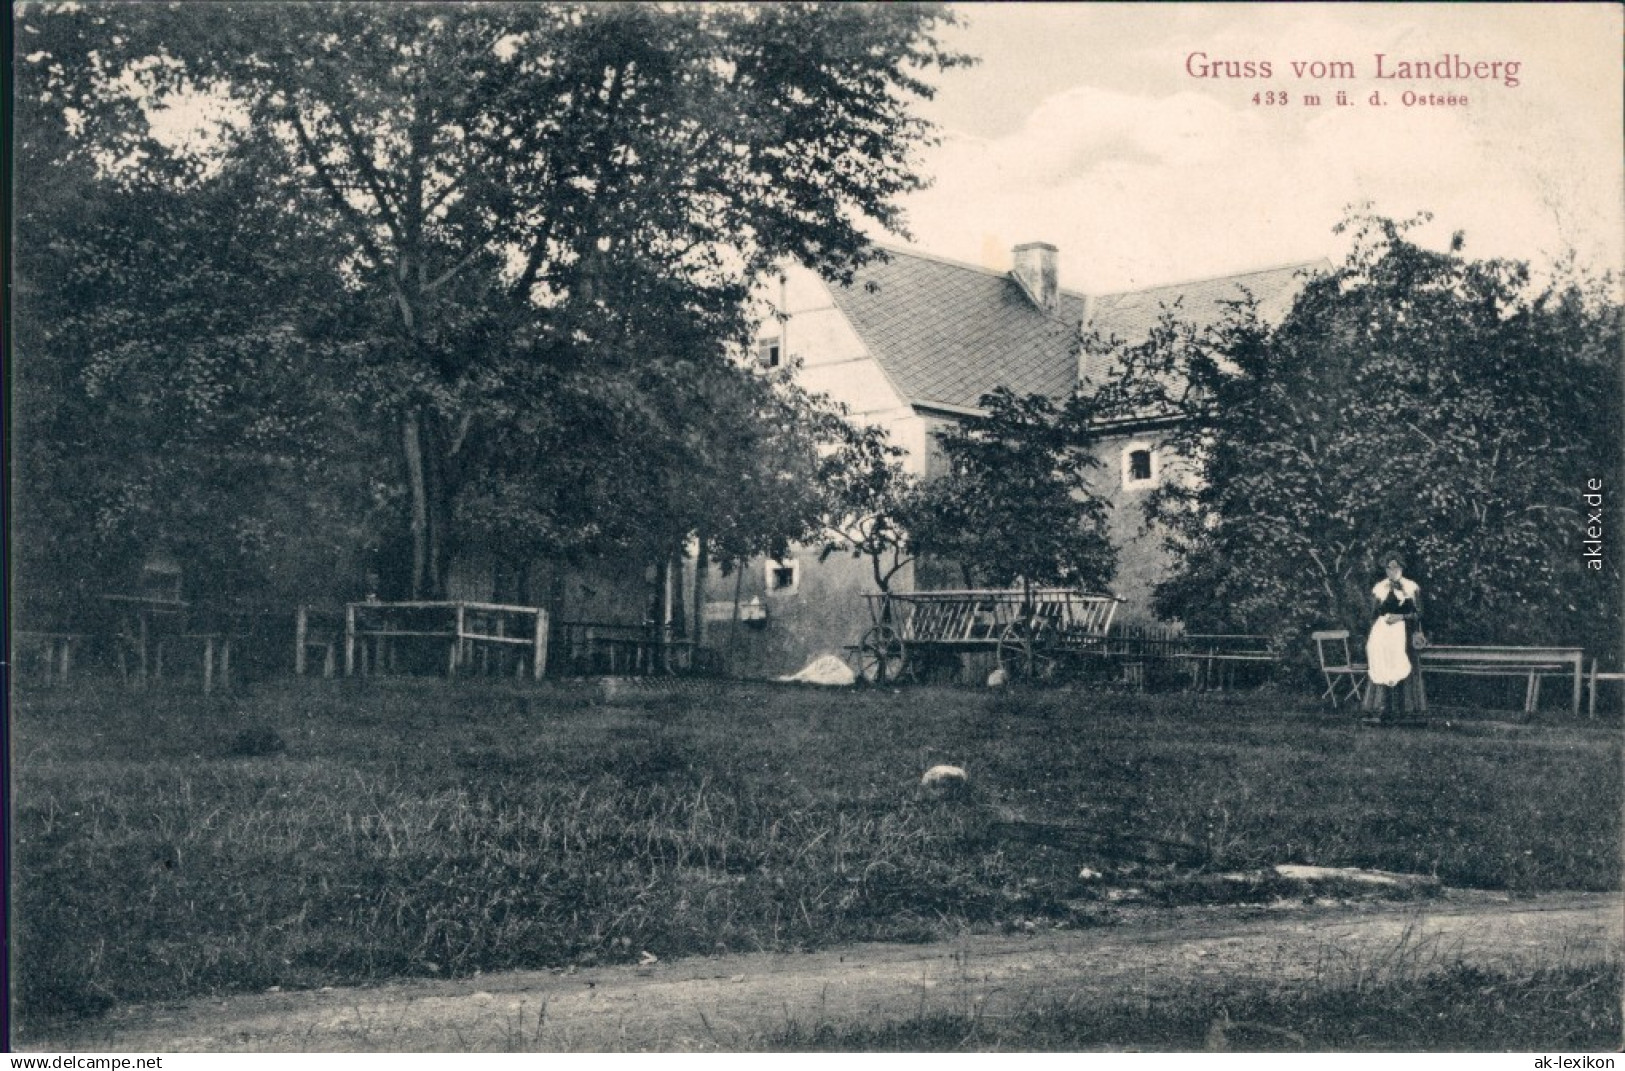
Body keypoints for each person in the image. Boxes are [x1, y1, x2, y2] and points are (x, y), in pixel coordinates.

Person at [1362, 556, 1427, 716]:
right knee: (1383, 664)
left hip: (1405, 635)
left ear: (1402, 568)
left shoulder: (1411, 587)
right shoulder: (1380, 588)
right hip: (1385, 635)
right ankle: (1382, 708)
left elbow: (1420, 614)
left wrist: (1401, 617)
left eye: (1396, 568)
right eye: (1389, 568)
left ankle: (1407, 709)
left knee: (1404, 666)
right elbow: (1372, 614)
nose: (1392, 571)